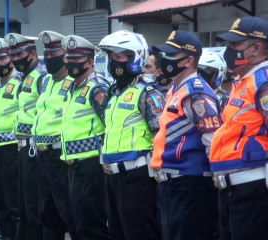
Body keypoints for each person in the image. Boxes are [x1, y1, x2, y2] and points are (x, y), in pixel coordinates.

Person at [150, 30, 222, 240]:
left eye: (171, 54)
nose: (165, 60)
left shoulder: (196, 93)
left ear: (189, 60)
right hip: (173, 184)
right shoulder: (176, 89)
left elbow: (212, 140)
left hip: (190, 185)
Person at [98, 30, 163, 240]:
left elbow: (161, 135)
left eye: (119, 57)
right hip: (111, 176)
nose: (113, 62)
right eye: (111, 57)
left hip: (137, 177)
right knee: (115, 233)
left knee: (139, 233)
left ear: (135, 58)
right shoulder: (113, 93)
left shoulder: (147, 93)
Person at [210, 16, 268, 240]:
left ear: (256, 48)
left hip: (253, 189)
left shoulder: (263, 81)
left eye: (235, 45)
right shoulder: (244, 81)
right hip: (233, 188)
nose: (229, 50)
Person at [60, 34, 109, 240]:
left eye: (76, 59)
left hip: (91, 167)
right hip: (72, 166)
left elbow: (110, 123)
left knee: (90, 225)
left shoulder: (97, 88)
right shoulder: (72, 88)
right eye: (68, 59)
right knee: (75, 223)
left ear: (90, 62)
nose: (70, 63)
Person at [32, 30, 76, 240]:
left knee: (69, 213)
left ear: (66, 56)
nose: (50, 59)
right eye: (47, 55)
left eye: (54, 54)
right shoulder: (46, 82)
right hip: (43, 157)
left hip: (61, 156)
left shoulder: (74, 83)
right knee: (47, 215)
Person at [4, 32, 44, 240]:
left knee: (33, 207)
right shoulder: (24, 78)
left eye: (20, 54)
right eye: (13, 54)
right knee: (22, 207)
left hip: (33, 149)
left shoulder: (41, 78)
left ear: (32, 54)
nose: (15, 59)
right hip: (20, 147)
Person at [0, 38, 21, 240]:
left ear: (11, 59)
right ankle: (4, 235)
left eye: (3, 58)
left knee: (13, 201)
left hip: (12, 148)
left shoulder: (19, 84)